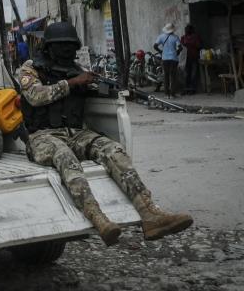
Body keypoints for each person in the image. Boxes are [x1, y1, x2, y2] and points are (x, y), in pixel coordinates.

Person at [18, 22, 192, 246]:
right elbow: (35, 95)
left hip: (75, 133)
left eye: (70, 46)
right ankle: (98, 218)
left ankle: (150, 215)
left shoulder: (76, 69)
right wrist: (72, 83)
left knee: (113, 150)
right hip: (41, 136)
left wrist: (98, 86)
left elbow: (89, 93)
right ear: (49, 47)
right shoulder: (31, 68)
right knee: (65, 157)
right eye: (61, 46)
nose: (66, 51)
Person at [154, 23, 182, 98]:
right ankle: (172, 94)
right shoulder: (175, 37)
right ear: (173, 30)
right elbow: (180, 47)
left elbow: (155, 46)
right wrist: (177, 53)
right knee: (173, 76)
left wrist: (161, 52)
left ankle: (166, 94)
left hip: (165, 59)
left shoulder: (161, 37)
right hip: (173, 59)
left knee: (166, 76)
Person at [180, 24, 202, 94]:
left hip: (193, 57)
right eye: (186, 29)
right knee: (187, 74)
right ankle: (187, 89)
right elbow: (181, 45)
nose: (186, 31)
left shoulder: (195, 37)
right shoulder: (184, 37)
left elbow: (199, 46)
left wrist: (191, 43)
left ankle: (192, 89)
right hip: (186, 58)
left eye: (187, 29)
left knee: (193, 74)